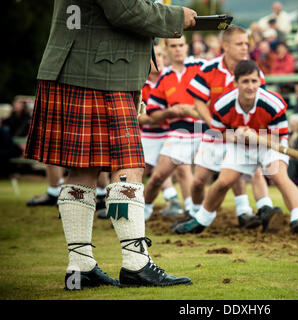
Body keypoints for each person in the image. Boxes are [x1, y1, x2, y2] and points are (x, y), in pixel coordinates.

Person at [24, 0, 197, 290]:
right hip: (97, 72)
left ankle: (80, 267)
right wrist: (176, 16)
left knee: (82, 171)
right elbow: (124, 9)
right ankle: (135, 264)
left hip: (86, 69)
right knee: (127, 167)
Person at [175, 60, 298, 236]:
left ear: (260, 82)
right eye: (245, 81)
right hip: (240, 145)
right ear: (235, 83)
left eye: (254, 81)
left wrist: (258, 137)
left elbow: (280, 136)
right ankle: (201, 220)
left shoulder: (273, 103)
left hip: (270, 144)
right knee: (223, 182)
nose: (250, 87)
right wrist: (235, 135)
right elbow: (218, 133)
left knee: (278, 176)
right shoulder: (223, 104)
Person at [185, 25, 278, 231]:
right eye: (239, 43)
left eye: (247, 43)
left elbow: (259, 102)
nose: (245, 47)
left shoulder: (254, 71)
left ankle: (257, 211)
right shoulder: (209, 69)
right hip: (215, 132)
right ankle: (193, 212)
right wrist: (212, 124)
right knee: (199, 180)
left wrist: (251, 131)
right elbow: (198, 101)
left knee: (249, 171)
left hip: (240, 134)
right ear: (225, 46)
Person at [141, 35, 206, 222]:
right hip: (179, 131)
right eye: (173, 46)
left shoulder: (201, 67)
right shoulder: (165, 78)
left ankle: (243, 211)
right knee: (158, 176)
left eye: (181, 45)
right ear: (167, 50)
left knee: (221, 173)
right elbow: (153, 114)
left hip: (206, 129)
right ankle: (143, 211)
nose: (178, 49)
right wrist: (170, 112)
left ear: (187, 47)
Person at [137, 43, 185, 220]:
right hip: (148, 135)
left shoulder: (172, 78)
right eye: (154, 56)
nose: (159, 60)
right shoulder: (139, 84)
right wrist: (163, 115)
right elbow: (138, 117)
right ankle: (125, 205)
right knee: (136, 171)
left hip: (171, 133)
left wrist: (158, 116)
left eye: (161, 55)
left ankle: (185, 207)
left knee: (181, 169)